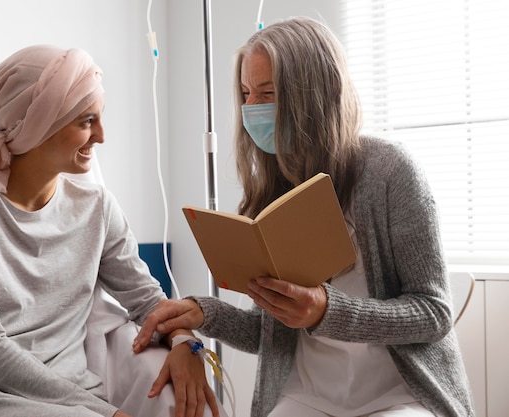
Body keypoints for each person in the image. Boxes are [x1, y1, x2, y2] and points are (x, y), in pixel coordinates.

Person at [133, 16, 475, 417]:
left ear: (314, 95)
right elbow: (270, 331)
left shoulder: (390, 173)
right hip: (308, 395)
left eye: (268, 93)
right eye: (245, 93)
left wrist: (327, 311)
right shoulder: (273, 190)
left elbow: (433, 314)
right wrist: (207, 313)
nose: (251, 109)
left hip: (400, 395)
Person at [0, 45, 219, 417]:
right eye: (86, 121)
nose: (101, 136)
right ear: (39, 126)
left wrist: (185, 343)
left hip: (70, 399)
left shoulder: (96, 207)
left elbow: (145, 301)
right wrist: (100, 411)